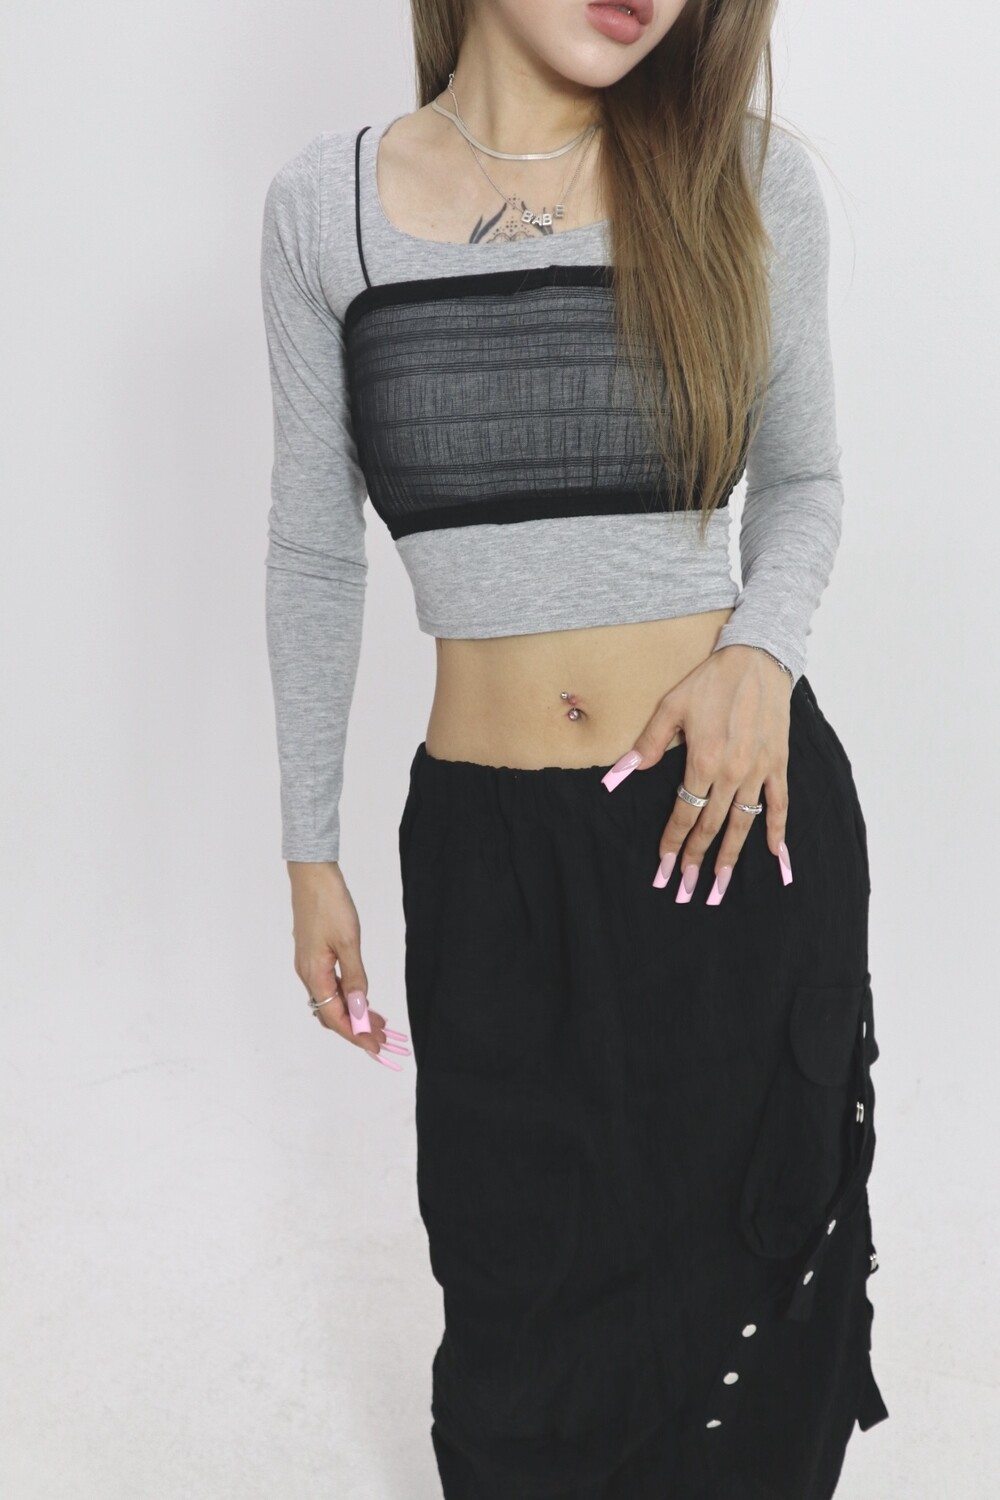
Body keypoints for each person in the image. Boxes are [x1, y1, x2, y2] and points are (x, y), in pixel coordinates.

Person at [259, 1, 890, 1494]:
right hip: (486, 859)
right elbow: (313, 551)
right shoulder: (326, 210)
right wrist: (308, 851)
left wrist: (760, 654)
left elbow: (804, 479)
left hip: (727, 827)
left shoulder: (742, 178)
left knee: (746, 1318)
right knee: (518, 1312)